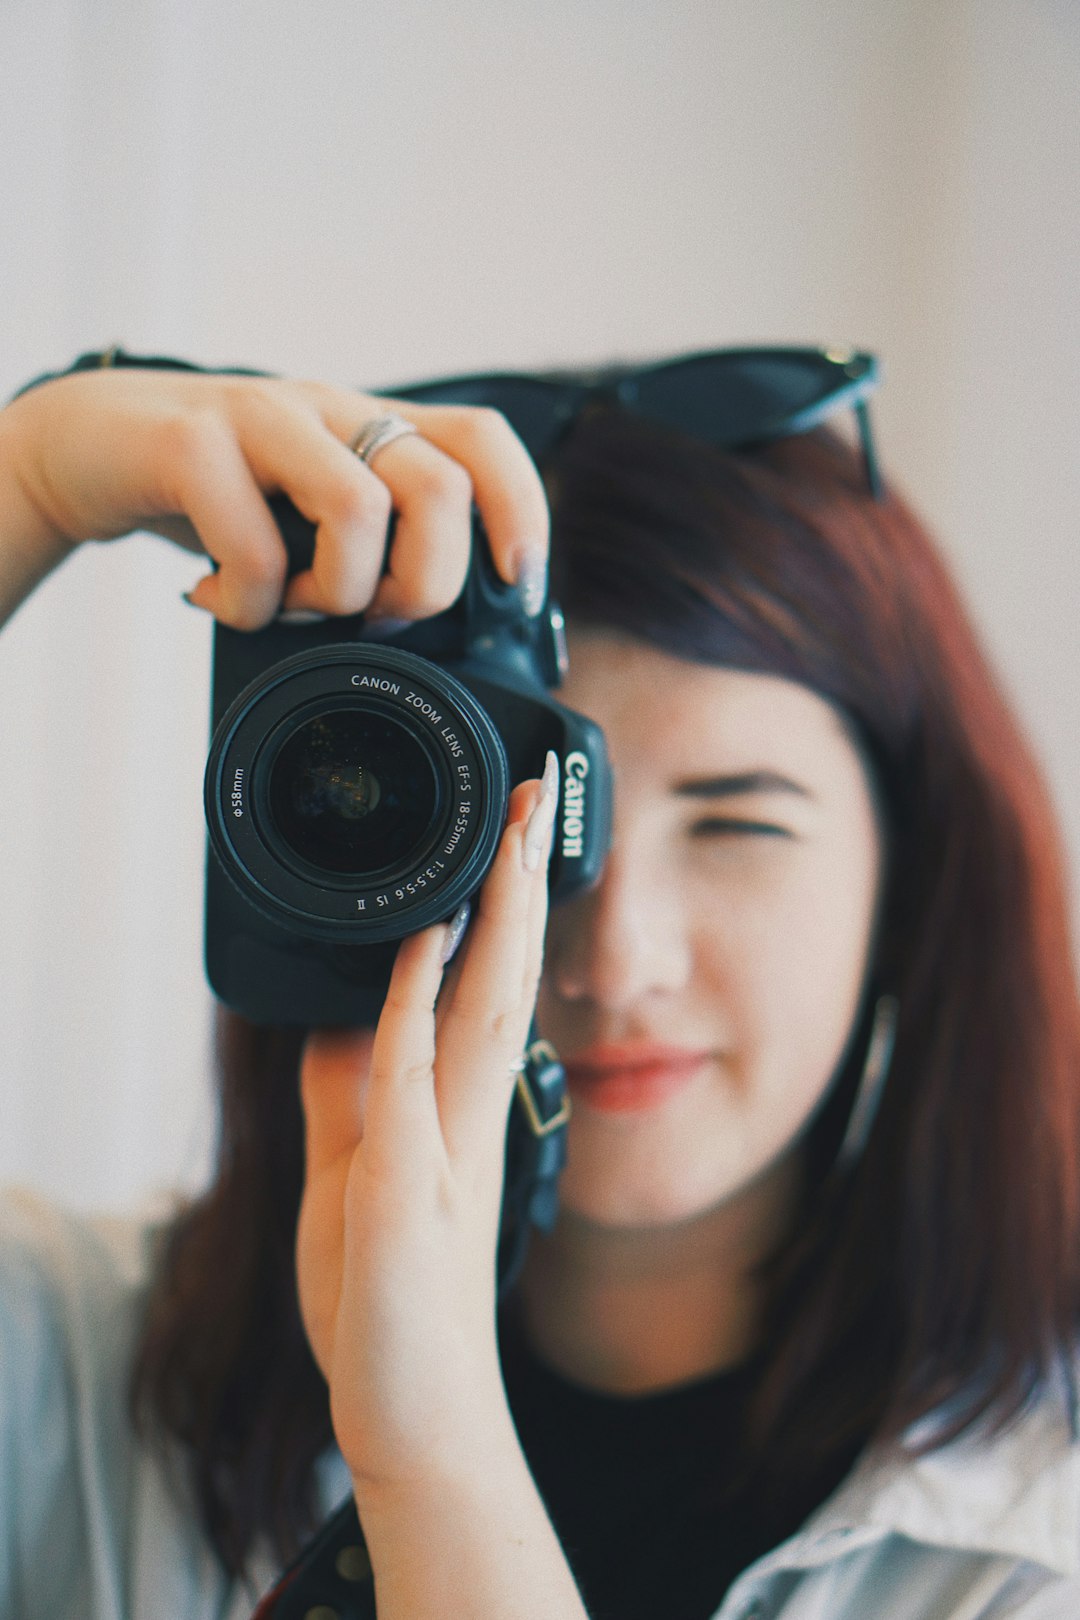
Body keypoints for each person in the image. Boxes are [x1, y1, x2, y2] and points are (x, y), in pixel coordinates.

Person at [0, 346, 1078, 1620]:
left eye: (736, 826)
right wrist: (28, 483)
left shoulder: (1036, 1527)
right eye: (505, 822)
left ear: (911, 881)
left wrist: (436, 1463)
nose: (617, 960)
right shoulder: (83, 1374)